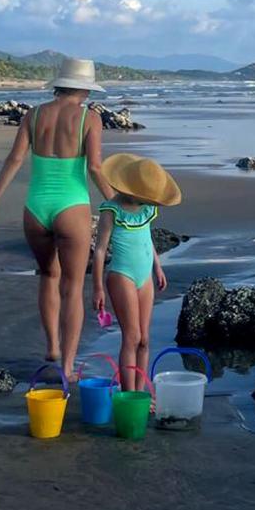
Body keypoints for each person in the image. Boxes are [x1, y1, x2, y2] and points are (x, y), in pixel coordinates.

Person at [0, 58, 113, 381]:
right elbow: (94, 168)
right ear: (84, 88)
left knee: (47, 276)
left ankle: (52, 348)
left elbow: (14, 159)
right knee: (73, 286)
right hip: (72, 208)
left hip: (36, 209)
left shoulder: (33, 115)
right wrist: (117, 201)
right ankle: (67, 367)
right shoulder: (89, 118)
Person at [91, 154, 180, 391]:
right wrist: (97, 287)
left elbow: (146, 238)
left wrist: (157, 265)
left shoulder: (146, 209)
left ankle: (140, 393)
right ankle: (128, 394)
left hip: (145, 276)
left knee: (144, 339)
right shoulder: (112, 210)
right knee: (131, 338)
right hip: (122, 275)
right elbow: (99, 251)